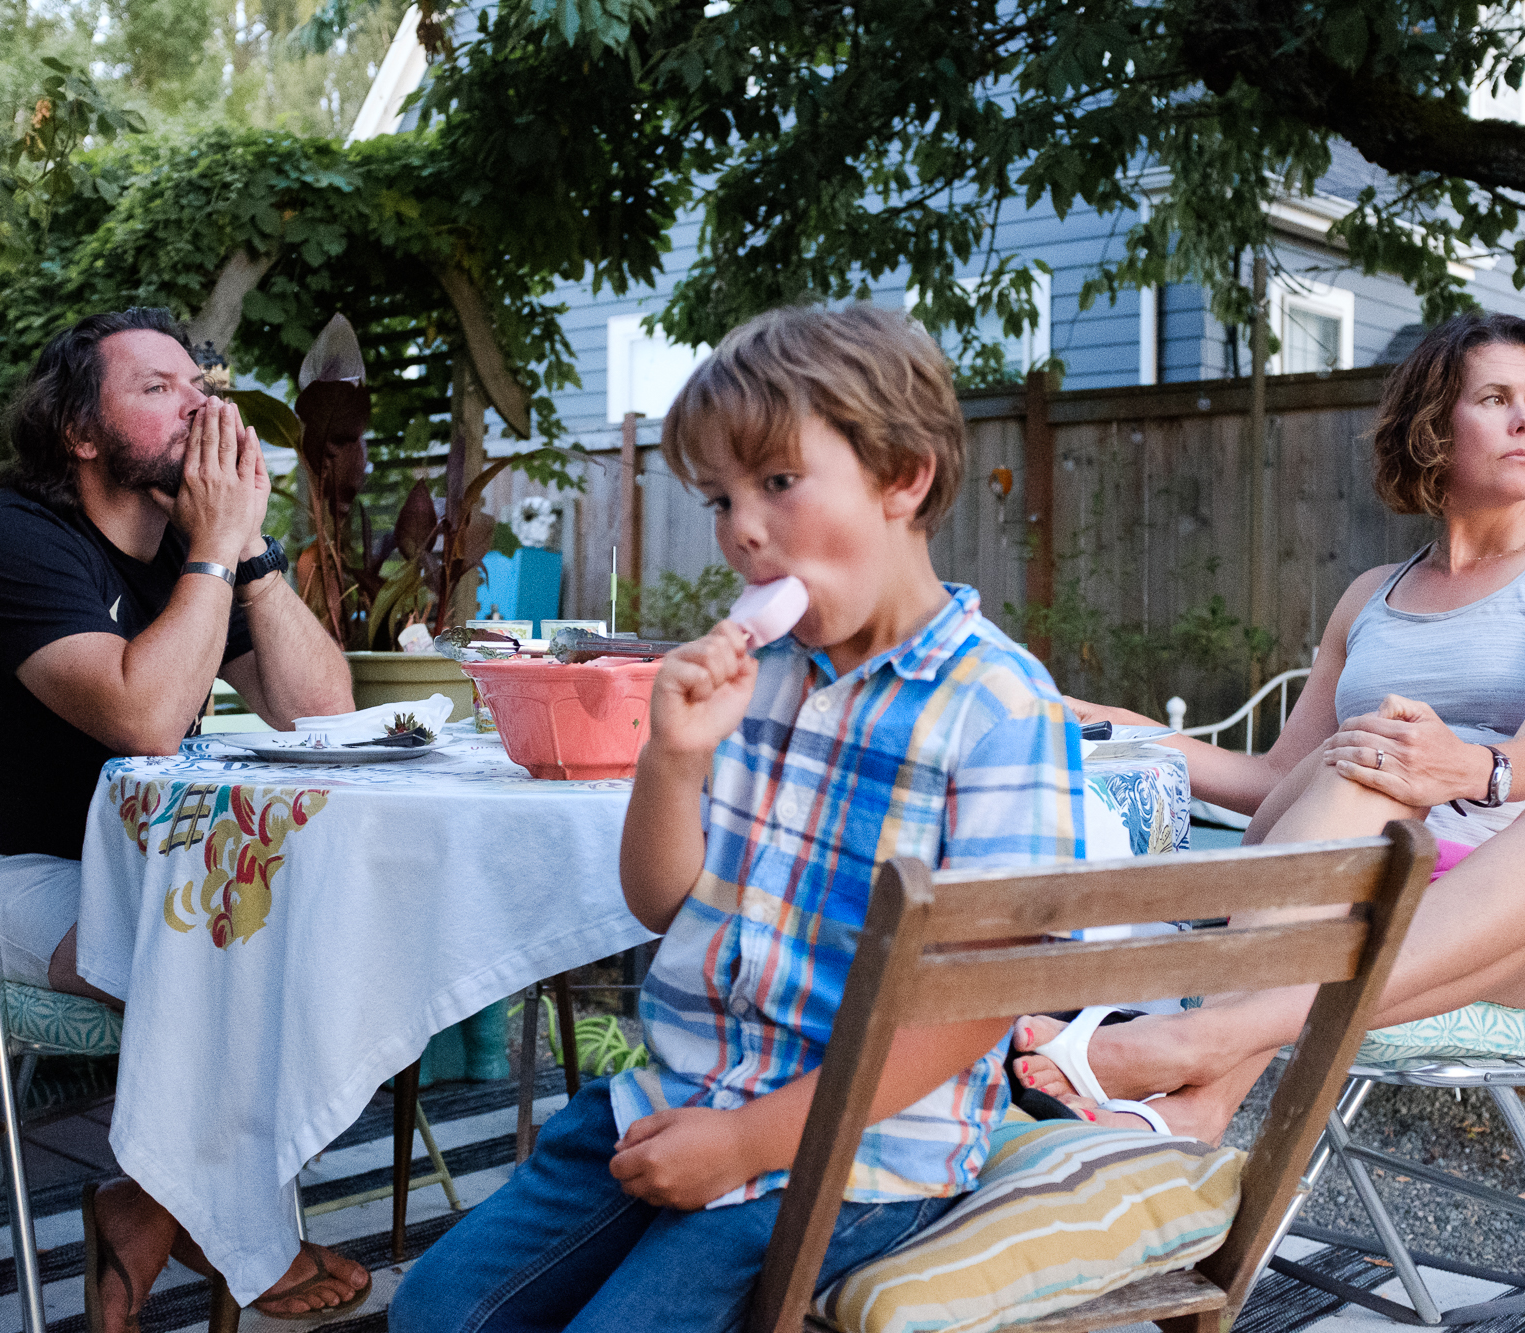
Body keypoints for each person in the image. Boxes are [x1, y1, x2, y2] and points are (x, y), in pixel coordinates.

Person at [388, 305, 1083, 1332]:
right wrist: (671, 758)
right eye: (719, 497)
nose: (741, 529)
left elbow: (981, 1000)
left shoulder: (998, 709)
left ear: (903, 477)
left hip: (856, 1150)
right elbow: (663, 902)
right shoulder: (752, 681)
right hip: (670, 1094)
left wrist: (750, 1142)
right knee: (436, 1310)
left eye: (777, 483)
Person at [0, 309, 368, 1329]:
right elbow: (145, 716)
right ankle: (211, 1226)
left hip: (83, 875)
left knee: (301, 931)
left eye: (201, 387)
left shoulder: (186, 560)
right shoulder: (11, 544)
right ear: (81, 431)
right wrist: (213, 557)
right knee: (222, 952)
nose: (201, 404)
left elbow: (324, 718)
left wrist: (246, 550)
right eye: (160, 387)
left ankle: (147, 1209)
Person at [1013, 311, 1525, 1144]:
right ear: (1432, 426)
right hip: (1367, 898)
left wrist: (1458, 767)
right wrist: (1141, 731)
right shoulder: (1371, 595)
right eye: (1496, 398)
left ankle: (1200, 1040)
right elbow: (1277, 780)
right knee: (1356, 761)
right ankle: (1204, 1099)